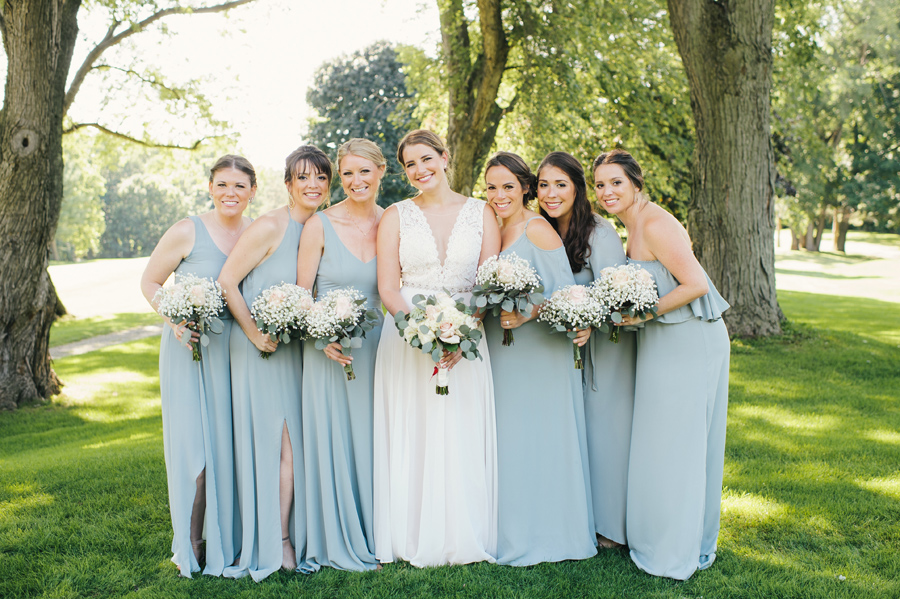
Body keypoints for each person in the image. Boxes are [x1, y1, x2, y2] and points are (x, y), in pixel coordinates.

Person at [592, 148, 730, 580]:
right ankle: (657, 535)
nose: (607, 191)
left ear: (636, 182)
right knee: (659, 444)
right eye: (599, 185)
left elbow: (694, 284)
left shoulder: (656, 222)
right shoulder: (630, 225)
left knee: (679, 446)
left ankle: (676, 549)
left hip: (690, 340)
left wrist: (644, 314)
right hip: (660, 343)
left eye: (615, 182)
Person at [372, 129, 501, 567]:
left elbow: (488, 284)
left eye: (427, 159)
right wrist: (420, 332)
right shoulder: (395, 215)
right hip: (408, 335)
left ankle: (465, 531)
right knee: (414, 428)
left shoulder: (482, 213)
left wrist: (463, 333)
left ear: (445, 157)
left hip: (468, 334)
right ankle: (410, 532)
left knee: (460, 427)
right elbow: (388, 286)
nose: (420, 170)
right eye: (410, 164)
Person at [218, 145, 331, 581]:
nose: (313, 185)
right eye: (303, 177)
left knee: (296, 445)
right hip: (258, 349)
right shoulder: (269, 226)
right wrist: (253, 333)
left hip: (297, 350)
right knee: (279, 445)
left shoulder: (320, 226)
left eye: (321, 177)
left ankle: (294, 532)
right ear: (288, 184)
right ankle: (277, 540)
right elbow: (228, 281)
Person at [140, 154, 254, 577]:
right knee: (195, 453)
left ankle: (231, 535)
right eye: (223, 184)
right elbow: (150, 281)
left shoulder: (253, 233)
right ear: (210, 187)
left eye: (239, 186)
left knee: (230, 447)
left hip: (234, 354)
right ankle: (191, 542)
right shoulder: (188, 230)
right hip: (189, 351)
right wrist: (173, 319)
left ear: (252, 192)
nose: (230, 193)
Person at [482, 151, 596, 566]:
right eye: (492, 187)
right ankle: (511, 531)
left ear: (525, 188)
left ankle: (552, 535)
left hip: (539, 352)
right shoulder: (494, 229)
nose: (499, 194)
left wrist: (528, 311)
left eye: (508, 186)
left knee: (541, 440)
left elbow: (568, 296)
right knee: (511, 442)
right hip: (504, 352)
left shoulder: (538, 230)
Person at [538, 151, 636, 550]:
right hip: (558, 347)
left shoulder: (599, 232)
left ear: (577, 188)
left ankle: (611, 527)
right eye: (543, 185)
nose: (551, 193)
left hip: (603, 347)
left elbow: (614, 292)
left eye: (560, 184)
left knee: (604, 432)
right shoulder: (539, 228)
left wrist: (586, 318)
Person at [296, 139, 386, 573]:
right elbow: (301, 294)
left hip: (379, 349)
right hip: (328, 351)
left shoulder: (395, 222)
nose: (355, 181)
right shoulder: (320, 225)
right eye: (347, 174)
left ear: (381, 172)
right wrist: (321, 333)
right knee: (336, 440)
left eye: (364, 171)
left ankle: (381, 531)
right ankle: (338, 535)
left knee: (375, 438)